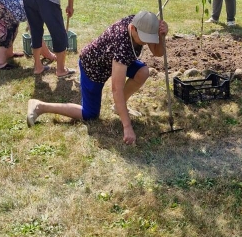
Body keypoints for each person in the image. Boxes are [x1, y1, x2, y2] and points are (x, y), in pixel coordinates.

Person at [26, 10, 168, 146]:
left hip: (115, 60)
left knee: (142, 72)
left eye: (149, 39)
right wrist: (127, 126)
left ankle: (119, 108)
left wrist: (161, 36)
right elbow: (116, 89)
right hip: (94, 66)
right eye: (143, 39)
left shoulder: (143, 23)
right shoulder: (122, 43)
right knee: (90, 114)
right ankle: (40, 106)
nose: (145, 43)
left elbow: (158, 53)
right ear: (132, 28)